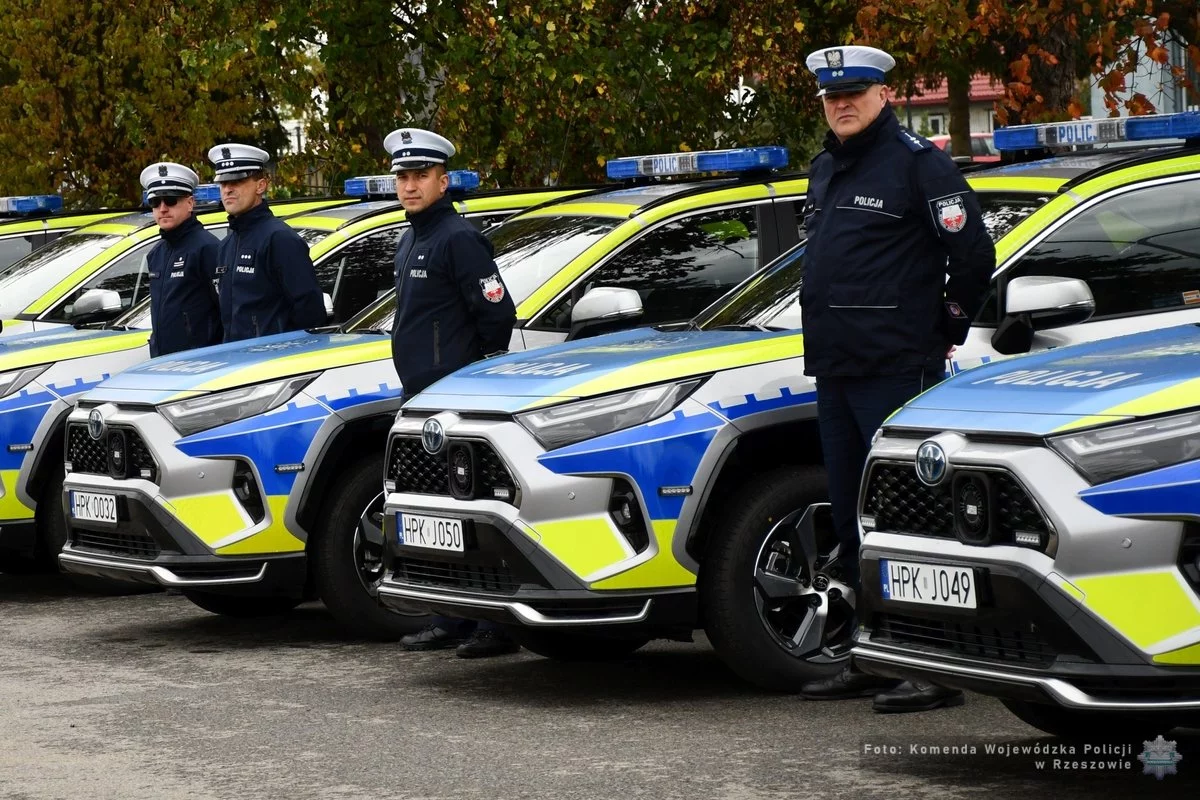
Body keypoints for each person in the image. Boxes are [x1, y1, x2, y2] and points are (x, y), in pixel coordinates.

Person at [796, 45, 996, 712]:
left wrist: (947, 325)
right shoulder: (825, 167)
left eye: (854, 92)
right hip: (836, 368)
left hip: (896, 368)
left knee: (913, 521)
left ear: (883, 94)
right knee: (855, 520)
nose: (842, 105)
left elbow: (973, 252)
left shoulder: (918, 164)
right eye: (832, 96)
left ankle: (934, 667)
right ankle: (874, 655)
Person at [385, 127, 519, 659]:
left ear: (443, 181)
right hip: (419, 398)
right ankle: (449, 617)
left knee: (471, 509)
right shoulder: (410, 238)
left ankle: (493, 625)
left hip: (455, 401)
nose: (410, 185)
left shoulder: (458, 238)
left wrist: (471, 379)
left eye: (420, 175)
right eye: (403, 176)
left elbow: (497, 313)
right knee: (434, 514)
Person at [207, 143, 326, 342]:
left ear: (260, 186)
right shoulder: (226, 245)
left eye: (237, 181)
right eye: (223, 183)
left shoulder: (280, 239)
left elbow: (310, 312)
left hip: (275, 356)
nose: (227, 189)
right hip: (236, 356)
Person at [139, 162, 222, 356]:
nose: (162, 208)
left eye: (170, 200)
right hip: (164, 360)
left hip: (202, 361)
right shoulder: (156, 253)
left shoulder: (208, 248)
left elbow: (226, 312)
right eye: (155, 202)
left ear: (190, 203)